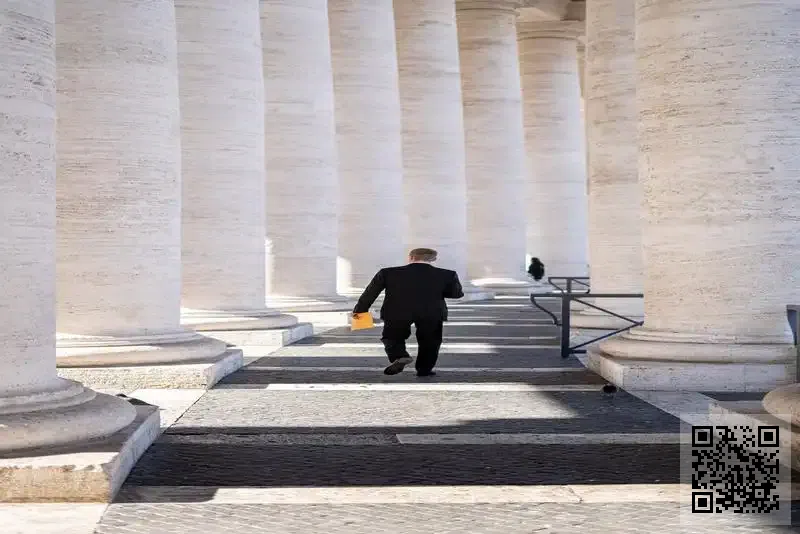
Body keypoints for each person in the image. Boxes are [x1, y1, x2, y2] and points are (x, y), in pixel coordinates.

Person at [352, 247, 464, 377]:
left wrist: (359, 315)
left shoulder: (387, 272)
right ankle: (424, 370)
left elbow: (369, 294)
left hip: (396, 311)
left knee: (392, 337)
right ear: (433, 259)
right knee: (430, 341)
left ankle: (400, 356)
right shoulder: (448, 274)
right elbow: (456, 294)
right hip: (431, 312)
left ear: (411, 257)